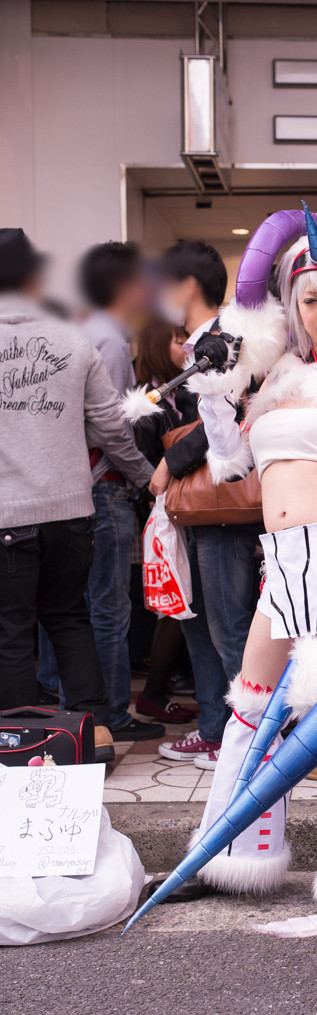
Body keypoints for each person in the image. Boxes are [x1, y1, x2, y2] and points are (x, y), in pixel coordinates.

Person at [131, 207, 317, 915]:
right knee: (251, 705)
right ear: (293, 306)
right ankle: (232, 857)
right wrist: (214, 393)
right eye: (310, 298)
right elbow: (231, 463)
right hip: (285, 561)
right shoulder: (280, 378)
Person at [0, 228, 155, 762]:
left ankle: (23, 748)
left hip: (7, 516)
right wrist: (145, 476)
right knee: (70, 618)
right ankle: (96, 735)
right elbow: (111, 428)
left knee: (11, 631)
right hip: (72, 511)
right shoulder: (74, 340)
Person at [144, 242, 263, 769]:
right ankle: (218, 730)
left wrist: (170, 462)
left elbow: (232, 416)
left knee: (229, 625)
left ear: (186, 286)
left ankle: (250, 738)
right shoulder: (204, 341)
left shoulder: (224, 340)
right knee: (203, 622)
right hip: (205, 507)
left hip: (224, 506)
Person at [78, 241, 166, 744]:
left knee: (72, 608)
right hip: (104, 489)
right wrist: (146, 474)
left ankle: (70, 707)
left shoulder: (79, 332)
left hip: (77, 489)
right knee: (109, 608)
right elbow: (110, 429)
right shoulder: (109, 341)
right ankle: (111, 712)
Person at [130, 318, 197, 726]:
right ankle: (153, 693)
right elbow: (146, 467)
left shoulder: (177, 394)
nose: (186, 346)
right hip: (163, 514)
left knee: (179, 601)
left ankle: (160, 689)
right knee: (174, 603)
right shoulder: (147, 402)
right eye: (177, 339)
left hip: (179, 510)